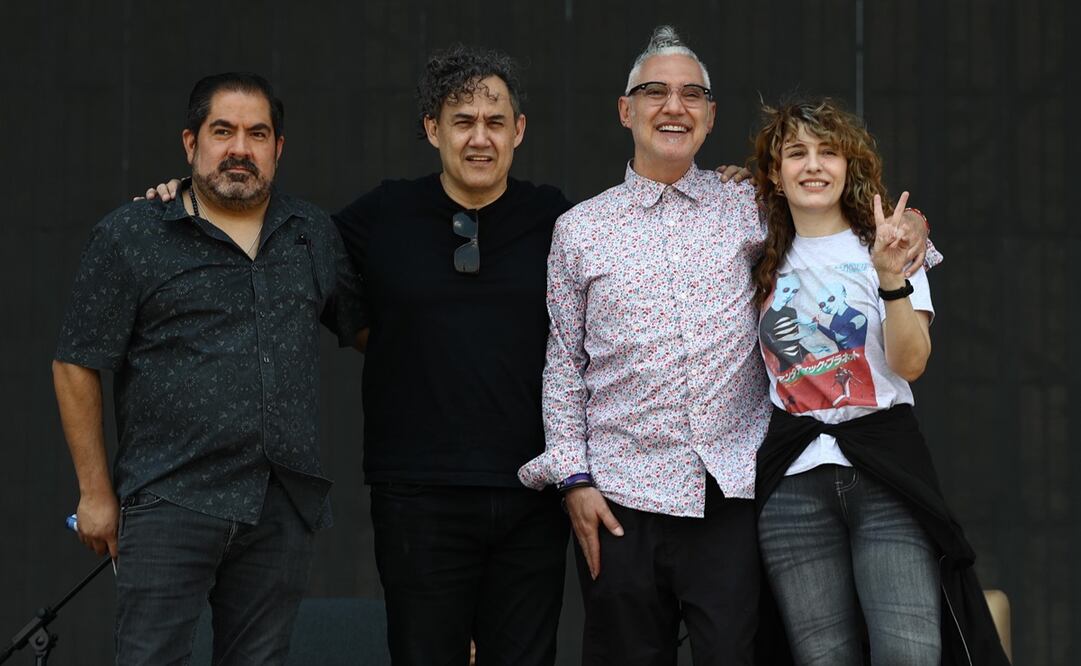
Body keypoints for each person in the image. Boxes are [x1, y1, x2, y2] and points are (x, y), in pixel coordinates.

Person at [518, 27, 935, 665]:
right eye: (654, 92)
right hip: (620, 495)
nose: (674, 106)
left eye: (693, 94)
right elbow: (563, 365)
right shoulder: (579, 230)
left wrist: (910, 231)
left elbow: (856, 232)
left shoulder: (750, 204)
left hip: (730, 490)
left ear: (711, 117)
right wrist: (574, 479)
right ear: (625, 110)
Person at [53, 72, 362, 665]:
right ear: (191, 143)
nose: (240, 148)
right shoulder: (134, 233)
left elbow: (368, 327)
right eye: (223, 132)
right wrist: (94, 493)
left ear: (278, 148)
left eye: (257, 134)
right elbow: (76, 363)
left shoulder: (311, 234)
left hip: (279, 503)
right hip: (170, 498)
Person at [331, 46, 575, 666]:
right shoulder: (385, 214)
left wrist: (727, 186)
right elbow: (291, 252)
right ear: (432, 129)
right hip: (418, 491)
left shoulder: (557, 218)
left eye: (495, 122)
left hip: (532, 489)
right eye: (462, 121)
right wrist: (184, 197)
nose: (479, 138)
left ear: (519, 130)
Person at [749, 97, 1009, 665]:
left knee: (908, 652)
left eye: (828, 152)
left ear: (849, 166)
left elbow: (911, 364)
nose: (813, 165)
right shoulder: (753, 248)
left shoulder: (890, 244)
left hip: (883, 469)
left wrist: (891, 279)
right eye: (796, 153)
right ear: (774, 172)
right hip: (793, 482)